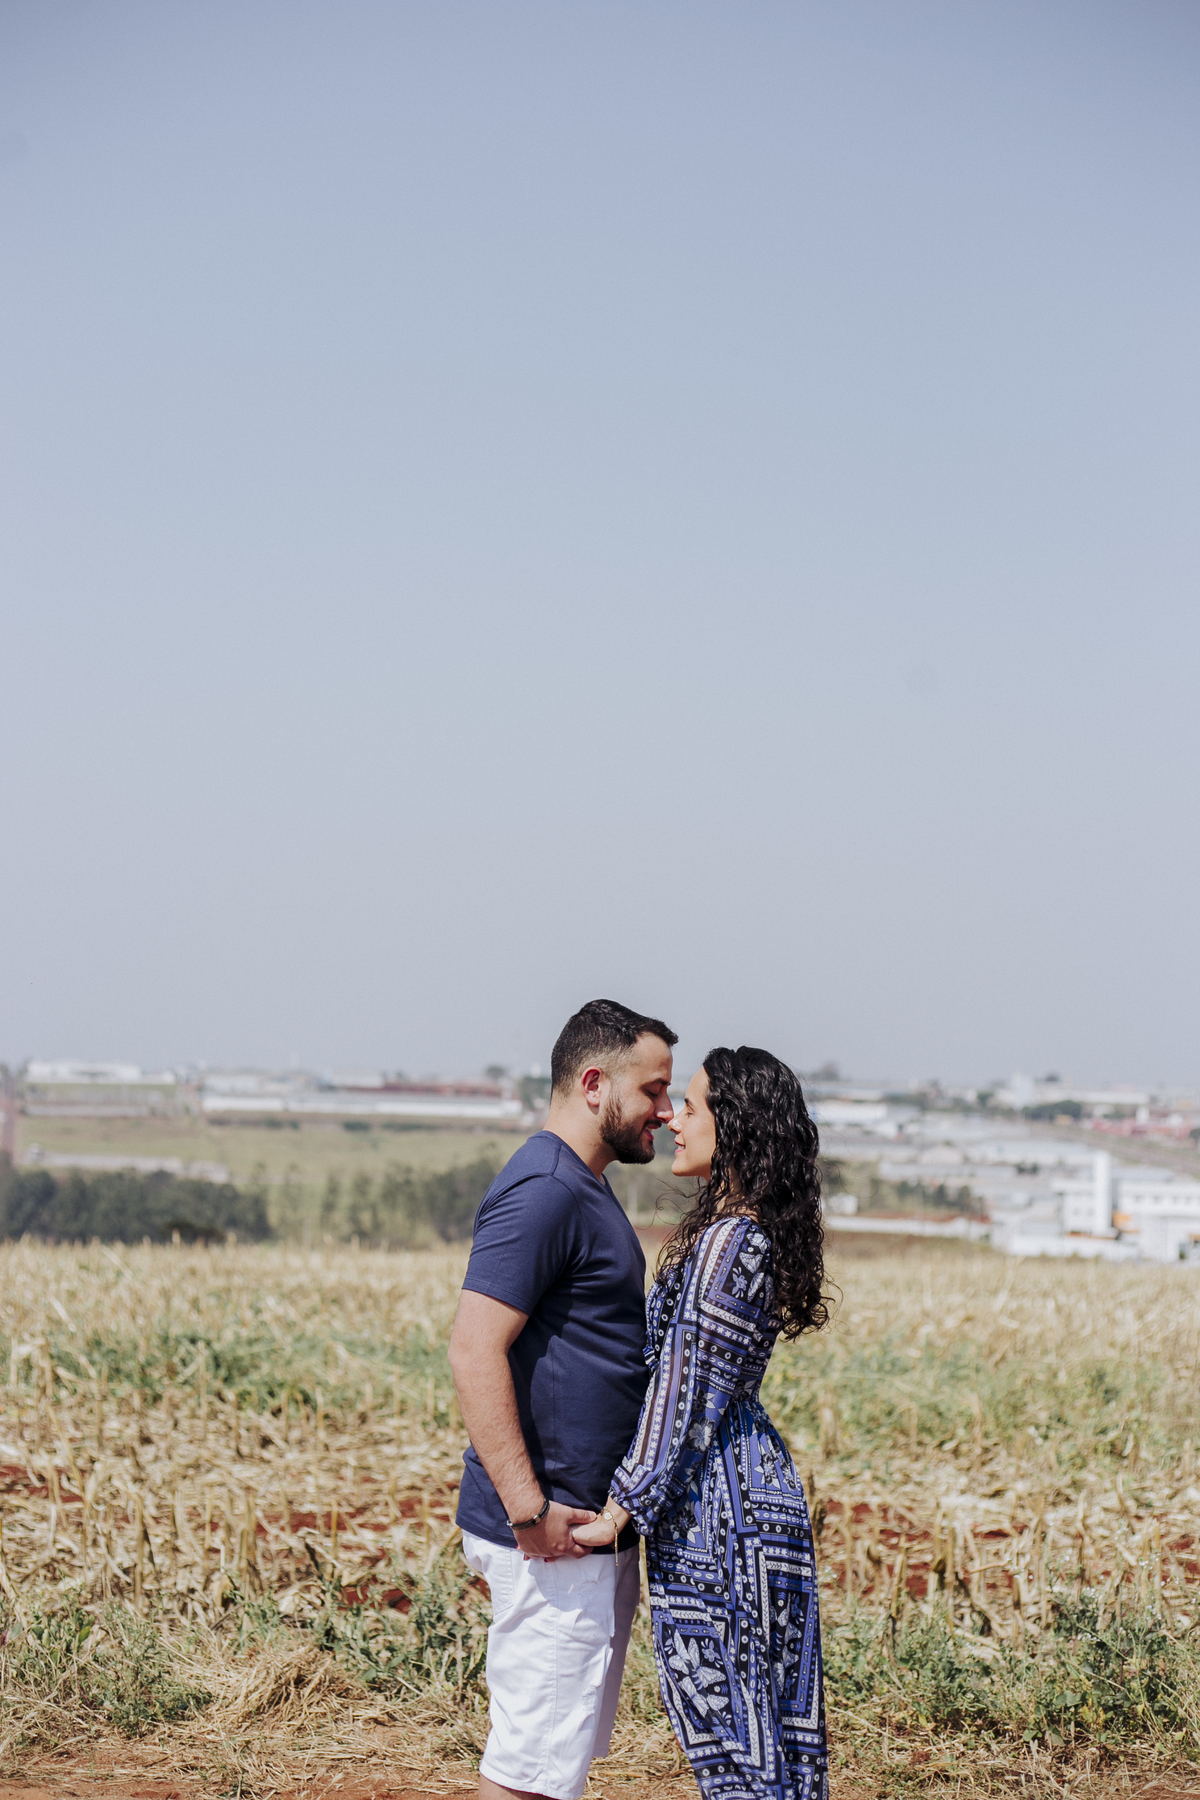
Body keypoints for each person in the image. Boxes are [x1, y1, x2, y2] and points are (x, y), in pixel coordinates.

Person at [573, 1046, 831, 1800]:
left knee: (733, 1732)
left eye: (690, 1107)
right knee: (770, 1724)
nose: (673, 1121)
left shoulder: (728, 1242)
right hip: (746, 1487)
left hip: (718, 1505)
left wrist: (622, 1508)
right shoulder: (748, 1231)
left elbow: (686, 1392)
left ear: (737, 1126)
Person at [448, 998, 678, 1800]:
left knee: (552, 1765)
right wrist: (528, 1510)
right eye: (653, 1090)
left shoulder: (582, 1186)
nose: (665, 1111)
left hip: (577, 1531)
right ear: (593, 1084)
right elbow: (473, 1347)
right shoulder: (546, 1188)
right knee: (530, 1776)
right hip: (554, 1535)